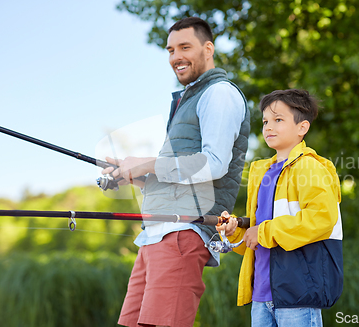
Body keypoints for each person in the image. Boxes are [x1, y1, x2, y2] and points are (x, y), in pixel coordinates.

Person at [102, 17, 250, 327]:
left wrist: (148, 163)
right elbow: (179, 177)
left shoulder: (219, 93)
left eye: (185, 47)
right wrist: (137, 176)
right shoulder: (187, 100)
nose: (175, 57)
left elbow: (214, 163)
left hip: (182, 233)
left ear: (208, 49)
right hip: (155, 234)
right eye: (170, 50)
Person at [217, 89, 343, 327]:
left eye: (278, 120)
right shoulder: (262, 174)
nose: (269, 127)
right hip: (261, 296)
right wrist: (237, 232)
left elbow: (321, 218)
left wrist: (262, 232)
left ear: (302, 127)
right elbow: (260, 235)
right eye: (265, 121)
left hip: (299, 294)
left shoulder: (309, 167)